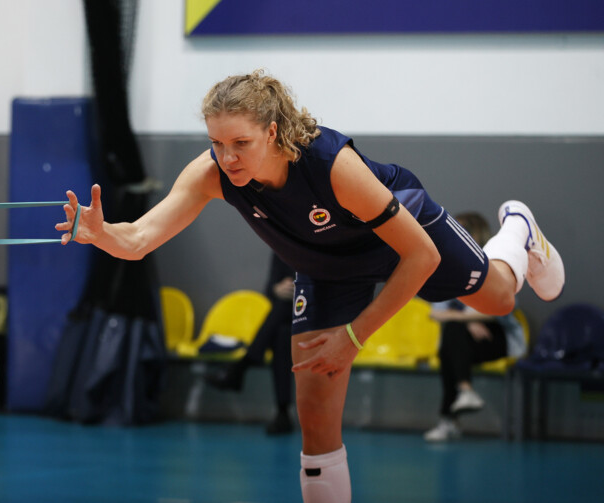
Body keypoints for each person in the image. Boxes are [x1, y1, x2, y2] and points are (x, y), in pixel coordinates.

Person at [56, 69, 564, 503]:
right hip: (326, 269)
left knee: (499, 299)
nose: (227, 157)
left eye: (240, 143)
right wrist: (102, 234)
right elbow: (140, 238)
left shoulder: (330, 165)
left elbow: (422, 256)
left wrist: (355, 336)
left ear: (272, 132)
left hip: (400, 236)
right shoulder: (212, 174)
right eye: (216, 143)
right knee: (316, 415)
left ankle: (518, 229)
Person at [423, 212, 527, 442]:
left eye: (464, 231)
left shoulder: (495, 263)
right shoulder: (447, 267)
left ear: (477, 235)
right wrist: (470, 320)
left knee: (451, 341)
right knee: (451, 341)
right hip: (465, 340)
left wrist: (463, 318)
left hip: (496, 337)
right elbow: (436, 313)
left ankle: (449, 419)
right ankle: (465, 392)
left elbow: (504, 305)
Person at [206, 253, 295, 435]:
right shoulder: (282, 247)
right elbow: (270, 288)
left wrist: (302, 290)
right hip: (289, 321)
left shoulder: (318, 244)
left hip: (317, 314)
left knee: (283, 310)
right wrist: (277, 289)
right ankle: (283, 414)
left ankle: (242, 366)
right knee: (281, 335)